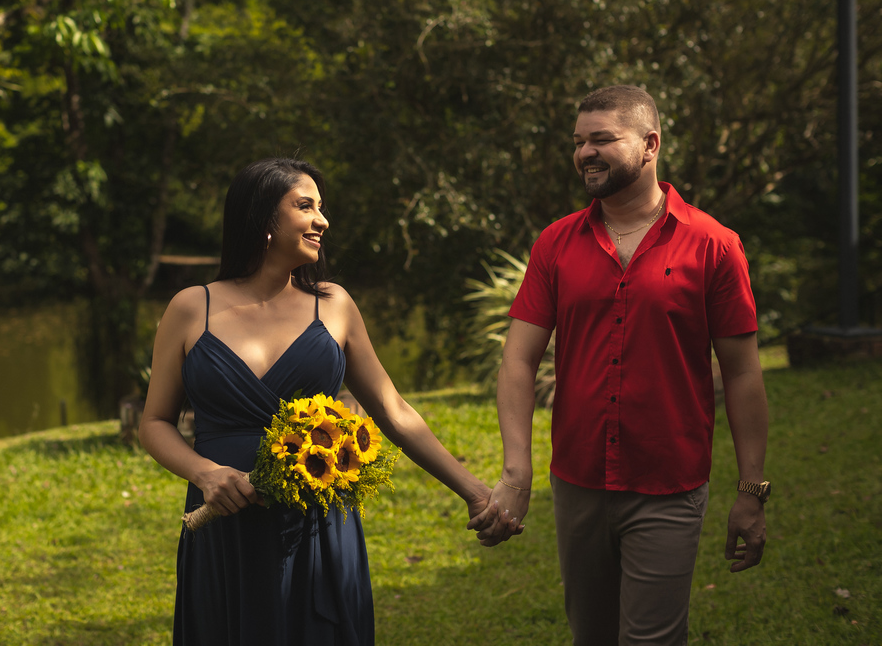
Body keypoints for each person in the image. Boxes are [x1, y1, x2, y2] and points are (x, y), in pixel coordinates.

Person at [140, 157, 518, 646]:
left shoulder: (333, 305)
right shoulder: (192, 308)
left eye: (322, 208)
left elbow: (393, 410)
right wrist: (204, 473)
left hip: (317, 527)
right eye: (305, 206)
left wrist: (476, 493)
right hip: (226, 528)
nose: (323, 221)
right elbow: (154, 421)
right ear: (262, 219)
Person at [473, 86, 770, 644]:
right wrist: (518, 470)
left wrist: (751, 491)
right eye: (579, 141)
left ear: (650, 144)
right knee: (592, 636)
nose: (586, 152)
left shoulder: (714, 245)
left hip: (668, 484)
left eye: (602, 139)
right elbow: (518, 359)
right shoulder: (556, 244)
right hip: (578, 481)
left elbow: (743, 373)